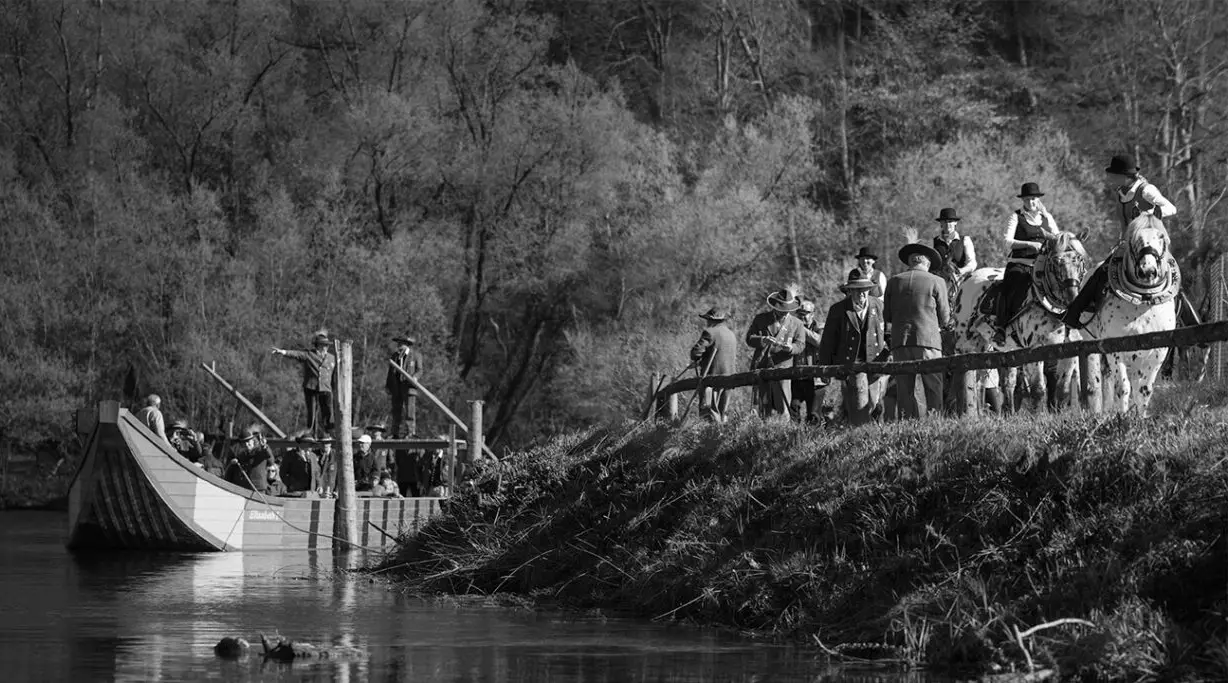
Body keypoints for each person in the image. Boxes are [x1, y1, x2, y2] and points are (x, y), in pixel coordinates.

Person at [1063, 155, 1177, 329]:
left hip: (1152, 244)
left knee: (1173, 275)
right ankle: (1075, 313)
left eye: (1112, 175)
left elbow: (1171, 208)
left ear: (1124, 176)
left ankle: (1189, 320)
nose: (1109, 179)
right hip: (1129, 245)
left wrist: (1152, 214)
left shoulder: (1146, 190)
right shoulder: (1121, 193)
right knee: (1101, 272)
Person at [884, 241, 950, 419]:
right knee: (933, 387)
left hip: (900, 342)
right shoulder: (937, 281)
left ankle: (908, 426)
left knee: (904, 389)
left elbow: (887, 315)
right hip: (928, 342)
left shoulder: (893, 282)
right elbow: (945, 318)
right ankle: (935, 424)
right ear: (927, 263)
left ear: (910, 261)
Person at [991, 184, 1059, 345]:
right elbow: (1007, 241)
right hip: (1020, 262)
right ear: (1022, 200)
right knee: (1010, 285)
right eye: (1027, 199)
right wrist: (1029, 245)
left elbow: (1057, 239)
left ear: (1039, 199)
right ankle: (1001, 327)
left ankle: (1066, 319)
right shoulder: (1016, 216)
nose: (1030, 202)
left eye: (1033, 199)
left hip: (1043, 263)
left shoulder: (1047, 217)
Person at [817, 273, 887, 425]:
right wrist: (824, 367)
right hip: (851, 363)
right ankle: (859, 434)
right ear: (850, 291)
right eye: (856, 290)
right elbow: (828, 341)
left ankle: (869, 432)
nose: (861, 293)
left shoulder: (879, 305)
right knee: (859, 402)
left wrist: (889, 351)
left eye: (865, 289)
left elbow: (889, 332)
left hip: (876, 362)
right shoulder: (838, 310)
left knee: (875, 402)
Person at [745, 286, 808, 419]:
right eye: (782, 310)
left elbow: (801, 344)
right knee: (762, 407)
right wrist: (763, 339)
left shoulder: (797, 323)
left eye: (788, 310)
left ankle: (782, 433)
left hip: (783, 368)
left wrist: (791, 348)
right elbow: (749, 338)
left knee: (783, 408)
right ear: (775, 307)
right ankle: (761, 433)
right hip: (762, 366)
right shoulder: (761, 319)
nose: (784, 313)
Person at [271, 330, 336, 436]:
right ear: (317, 345)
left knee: (328, 411)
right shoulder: (309, 354)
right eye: (323, 345)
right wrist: (283, 352)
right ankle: (311, 432)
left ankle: (329, 431)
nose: (325, 348)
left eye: (327, 345)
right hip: (311, 388)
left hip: (326, 388)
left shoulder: (332, 358)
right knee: (312, 412)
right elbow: (296, 354)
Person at [689, 307, 738, 423]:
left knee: (708, 413)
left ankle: (709, 437)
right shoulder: (731, 334)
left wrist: (697, 359)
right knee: (722, 413)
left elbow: (696, 352)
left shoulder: (710, 332)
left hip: (712, 378)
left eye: (708, 319)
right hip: (729, 378)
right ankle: (722, 436)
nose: (707, 322)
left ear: (712, 320)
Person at [791, 300, 828, 424]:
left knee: (814, 416)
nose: (801, 316)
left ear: (812, 314)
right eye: (799, 314)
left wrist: (801, 329)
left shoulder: (821, 327)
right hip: (797, 378)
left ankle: (814, 441)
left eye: (805, 313)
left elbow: (820, 342)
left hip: (816, 380)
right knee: (793, 409)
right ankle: (795, 438)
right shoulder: (793, 329)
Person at [932, 208, 978, 295]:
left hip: (960, 283)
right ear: (941, 223)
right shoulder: (934, 241)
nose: (947, 224)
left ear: (955, 223)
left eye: (950, 221)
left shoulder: (965, 240)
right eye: (945, 221)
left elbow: (972, 263)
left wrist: (961, 271)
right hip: (939, 284)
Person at [386, 334, 423, 438]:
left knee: (410, 411)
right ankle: (395, 433)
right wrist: (388, 386)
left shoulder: (416, 355)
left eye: (401, 343)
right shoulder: (394, 356)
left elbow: (420, 370)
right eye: (398, 343)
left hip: (409, 387)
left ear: (406, 344)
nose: (398, 345)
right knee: (396, 411)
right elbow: (390, 373)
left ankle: (410, 432)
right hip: (396, 387)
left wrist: (415, 377)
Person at [225, 426, 276, 494]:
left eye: (248, 441)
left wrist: (265, 447)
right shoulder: (240, 456)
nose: (246, 444)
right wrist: (231, 464)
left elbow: (271, 461)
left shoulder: (261, 450)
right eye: (244, 442)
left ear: (253, 440)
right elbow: (229, 474)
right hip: (242, 489)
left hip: (258, 489)